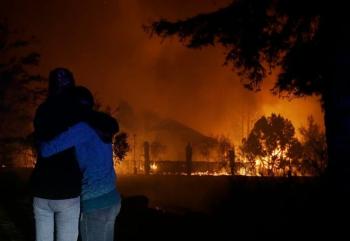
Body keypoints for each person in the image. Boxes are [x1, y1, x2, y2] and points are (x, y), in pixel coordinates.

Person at [39, 86, 122, 241]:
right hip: (111, 198)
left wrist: (42, 133)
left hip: (95, 202)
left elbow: (47, 149)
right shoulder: (100, 125)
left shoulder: (82, 128)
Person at [30, 67, 82, 241]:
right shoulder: (76, 111)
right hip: (67, 188)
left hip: (42, 187)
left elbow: (38, 140)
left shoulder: (42, 110)